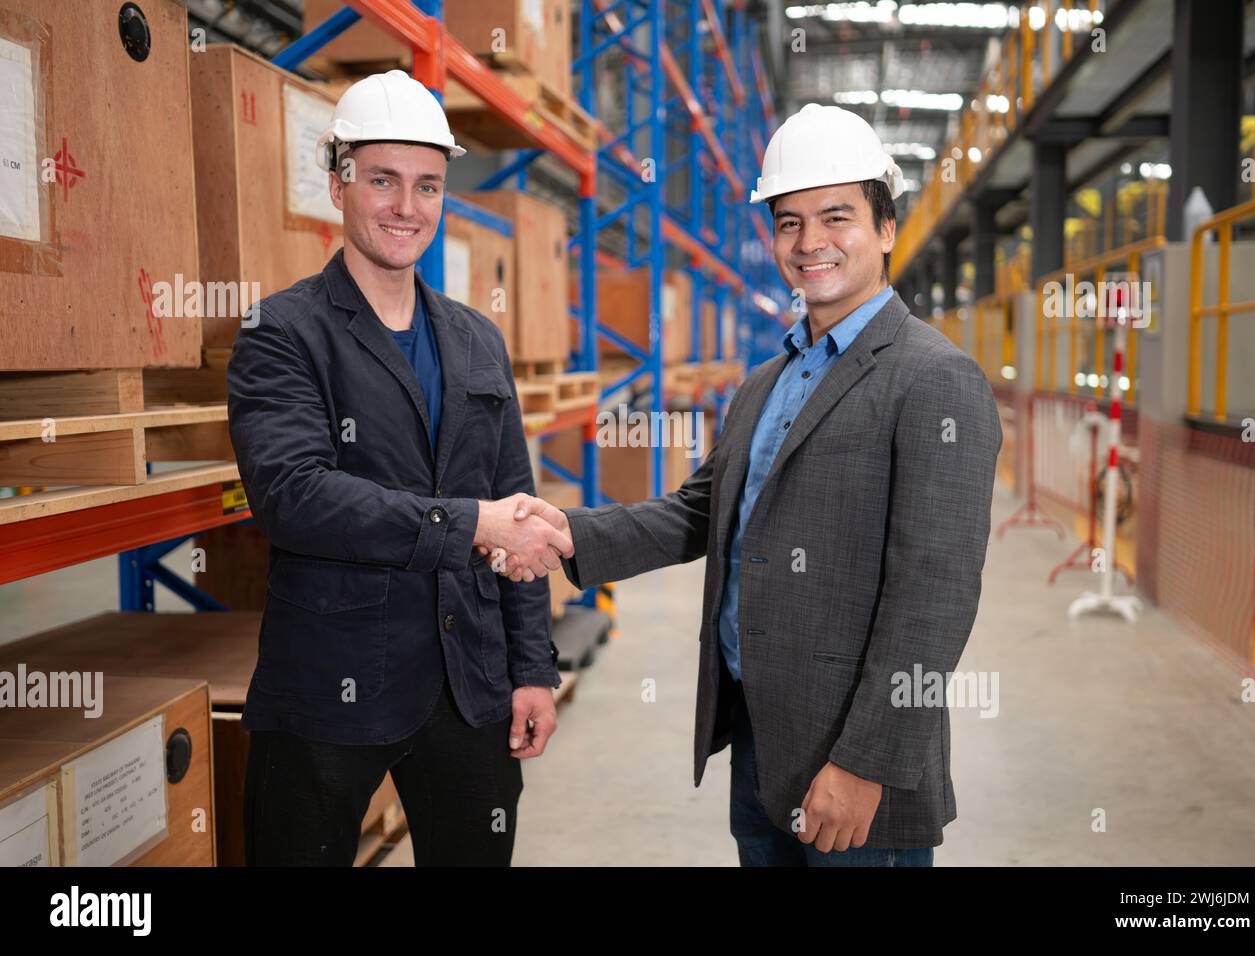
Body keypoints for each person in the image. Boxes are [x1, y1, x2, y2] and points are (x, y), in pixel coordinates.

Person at [505, 104, 1002, 866]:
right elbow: (702, 511)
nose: (810, 243)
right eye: (789, 223)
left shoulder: (933, 379)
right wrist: (572, 533)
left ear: (886, 228)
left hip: (854, 765)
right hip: (760, 738)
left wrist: (864, 762)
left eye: (836, 217)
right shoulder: (769, 379)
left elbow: (934, 599)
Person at [226, 70, 572, 866]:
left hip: (469, 686)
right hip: (330, 686)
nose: (406, 207)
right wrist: (468, 524)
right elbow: (294, 496)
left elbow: (514, 509)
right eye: (383, 180)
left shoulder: (477, 340)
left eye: (427, 185)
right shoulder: (282, 333)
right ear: (338, 181)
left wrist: (532, 669)